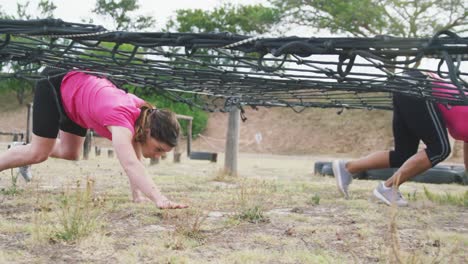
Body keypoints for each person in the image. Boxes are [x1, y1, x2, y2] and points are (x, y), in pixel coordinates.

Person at [0, 68, 188, 209]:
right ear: (147, 131)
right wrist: (159, 199)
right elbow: (131, 164)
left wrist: (137, 196)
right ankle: (25, 152)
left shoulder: (145, 115)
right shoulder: (121, 119)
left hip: (77, 102)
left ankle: (22, 150)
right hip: (55, 85)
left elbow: (135, 159)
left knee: (70, 153)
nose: (158, 156)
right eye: (159, 149)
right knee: (37, 154)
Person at [332, 70, 468, 206]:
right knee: (440, 150)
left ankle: (348, 167)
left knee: (403, 154)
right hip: (420, 86)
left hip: (405, 84)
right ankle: (388, 188)